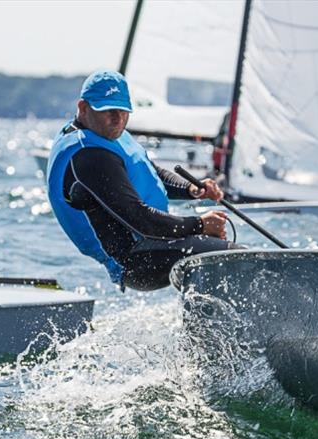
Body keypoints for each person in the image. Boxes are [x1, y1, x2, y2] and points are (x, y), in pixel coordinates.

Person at [47, 70, 237, 291]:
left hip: (153, 242)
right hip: (134, 259)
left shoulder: (106, 133)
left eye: (123, 111)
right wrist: (200, 225)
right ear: (83, 108)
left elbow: (150, 172)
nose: (118, 119)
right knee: (234, 258)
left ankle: (208, 321)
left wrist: (190, 188)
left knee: (229, 258)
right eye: (108, 111)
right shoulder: (88, 156)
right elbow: (140, 219)